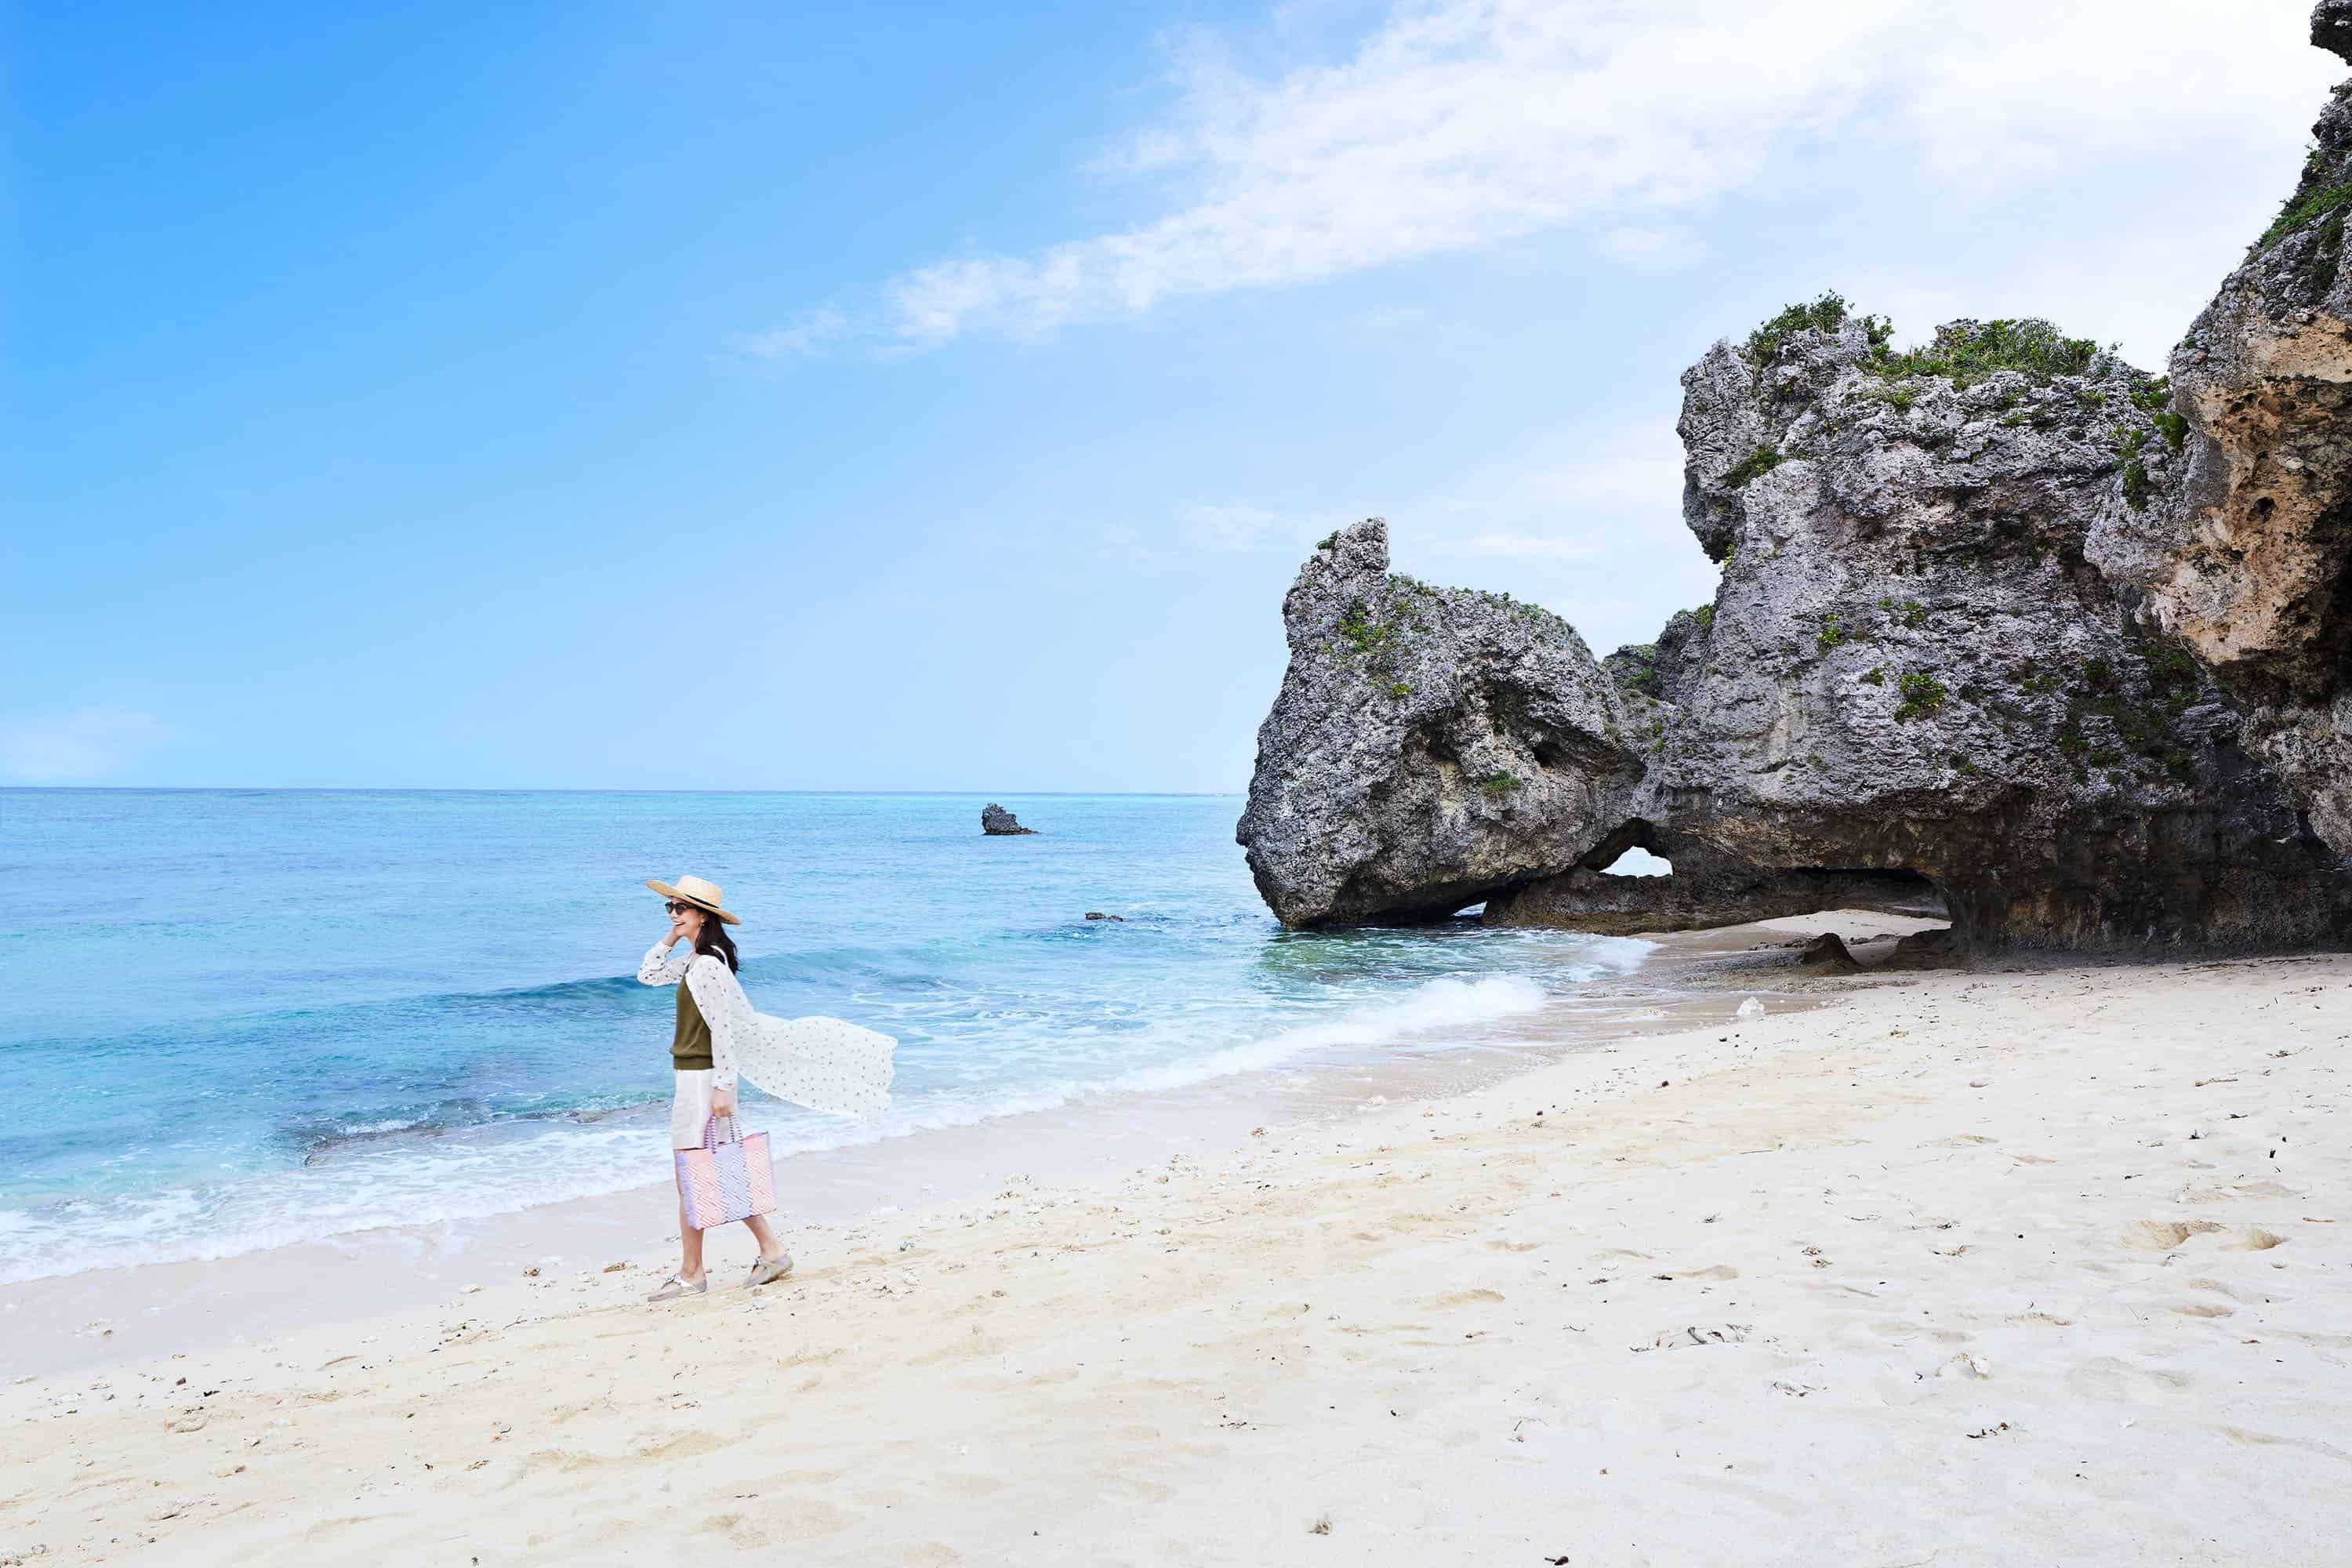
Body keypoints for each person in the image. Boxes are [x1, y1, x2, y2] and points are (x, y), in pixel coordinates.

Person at [636, 874, 796, 1301]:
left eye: (681, 909)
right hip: (695, 1078)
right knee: (711, 1171)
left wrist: (724, 1087)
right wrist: (672, 934)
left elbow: (722, 1031)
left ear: (703, 915)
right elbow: (648, 974)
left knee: (692, 1175)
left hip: (702, 1082)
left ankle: (692, 1273)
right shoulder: (696, 961)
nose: (673, 914)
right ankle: (770, 1249)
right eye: (668, 908)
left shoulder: (707, 965)